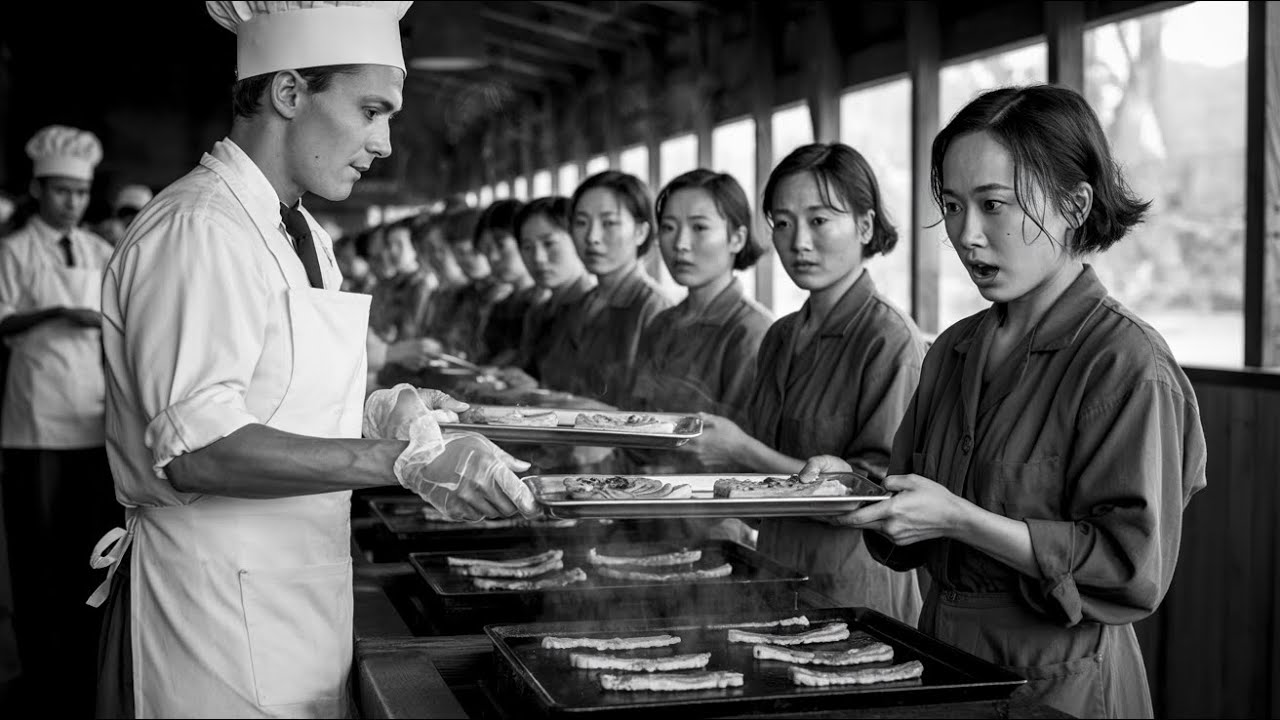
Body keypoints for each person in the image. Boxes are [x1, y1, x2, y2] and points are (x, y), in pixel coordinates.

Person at [90, 3, 535, 717]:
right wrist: (401, 459)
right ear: (289, 93)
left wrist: (387, 409)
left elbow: (276, 398)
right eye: (370, 110)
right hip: (212, 614)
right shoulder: (200, 231)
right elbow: (199, 451)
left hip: (292, 592)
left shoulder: (301, 232)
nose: (385, 142)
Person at [805, 85, 1207, 718]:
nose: (968, 235)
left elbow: (1130, 568)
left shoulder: (1126, 364)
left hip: (1059, 682)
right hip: (940, 660)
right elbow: (919, 503)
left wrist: (961, 520)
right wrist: (855, 487)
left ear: (1075, 205)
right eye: (953, 206)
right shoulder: (954, 349)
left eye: (994, 205)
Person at [682, 144, 923, 623]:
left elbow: (873, 497)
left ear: (866, 226)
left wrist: (741, 451)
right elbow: (763, 481)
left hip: (856, 589)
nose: (798, 242)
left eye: (819, 220)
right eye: (783, 223)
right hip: (776, 569)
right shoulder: (780, 336)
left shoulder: (889, 339)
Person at [0, 124, 119, 716]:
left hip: (91, 415)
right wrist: (54, 312)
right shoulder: (14, 249)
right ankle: (35, 671)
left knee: (84, 544)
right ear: (38, 190)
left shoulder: (100, 251)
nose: (71, 202)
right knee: (34, 548)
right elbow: (0, 320)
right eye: (61, 191)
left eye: (79, 192)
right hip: (35, 422)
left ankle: (79, 662)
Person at [629, 169, 773, 474]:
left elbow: (741, 455)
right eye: (668, 227)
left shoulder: (751, 333)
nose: (680, 243)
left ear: (737, 238)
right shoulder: (662, 324)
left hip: (715, 514)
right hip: (646, 502)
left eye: (699, 227)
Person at [540, 171, 673, 406]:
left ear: (641, 232)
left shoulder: (654, 310)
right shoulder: (582, 304)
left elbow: (652, 413)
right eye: (581, 223)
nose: (592, 237)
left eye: (609, 223)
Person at [513, 196, 594, 383]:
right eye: (527, 247)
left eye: (549, 243)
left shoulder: (595, 314)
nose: (538, 258)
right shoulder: (538, 313)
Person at [474, 199, 539, 366]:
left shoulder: (544, 305)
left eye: (501, 245)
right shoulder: (499, 305)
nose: (493, 257)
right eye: (486, 250)